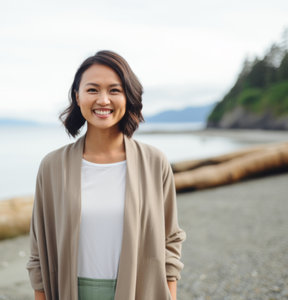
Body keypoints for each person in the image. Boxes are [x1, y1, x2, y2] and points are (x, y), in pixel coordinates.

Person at [26, 50, 186, 300]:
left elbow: (170, 241)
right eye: (92, 90)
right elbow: (38, 251)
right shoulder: (52, 166)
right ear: (77, 97)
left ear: (128, 97)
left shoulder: (154, 163)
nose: (103, 100)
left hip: (140, 291)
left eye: (114, 90)